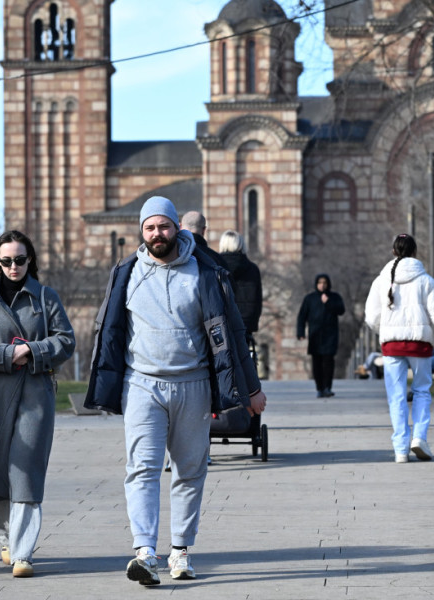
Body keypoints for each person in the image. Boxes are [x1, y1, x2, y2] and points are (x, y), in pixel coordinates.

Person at [84, 196, 266, 586]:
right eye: (149, 227)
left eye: (163, 226)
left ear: (176, 228)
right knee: (142, 469)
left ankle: (180, 551)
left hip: (193, 384)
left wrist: (251, 389)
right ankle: (145, 552)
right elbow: (109, 330)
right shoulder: (127, 272)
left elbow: (232, 332)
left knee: (190, 470)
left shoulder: (205, 272)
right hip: (142, 385)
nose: (157, 234)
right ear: (141, 231)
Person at [0, 230, 76, 579]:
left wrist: (35, 351)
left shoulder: (45, 297)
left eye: (20, 260)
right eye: (7, 260)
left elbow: (66, 340)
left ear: (30, 261)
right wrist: (12, 354)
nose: (14, 266)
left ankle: (23, 553)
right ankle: (7, 540)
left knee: (26, 471)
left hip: (35, 395)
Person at [365, 233, 434, 463]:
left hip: (391, 346)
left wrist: (386, 331)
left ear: (393, 251)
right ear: (414, 252)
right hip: (420, 345)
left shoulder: (380, 281)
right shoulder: (425, 280)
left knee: (396, 397)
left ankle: (400, 449)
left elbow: (371, 316)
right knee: (422, 391)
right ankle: (419, 438)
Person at [297, 273, 346, 397]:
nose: (322, 285)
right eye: (320, 283)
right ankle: (319, 388)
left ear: (328, 284)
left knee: (328, 362)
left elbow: (341, 310)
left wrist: (328, 302)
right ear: (316, 284)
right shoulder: (310, 298)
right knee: (317, 363)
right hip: (315, 335)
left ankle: (327, 388)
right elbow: (302, 316)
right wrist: (300, 332)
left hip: (330, 335)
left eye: (324, 283)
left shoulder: (334, 297)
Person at [218, 230, 262, 341]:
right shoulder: (252, 268)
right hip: (245, 324)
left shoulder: (215, 266)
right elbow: (257, 300)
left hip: (222, 322)